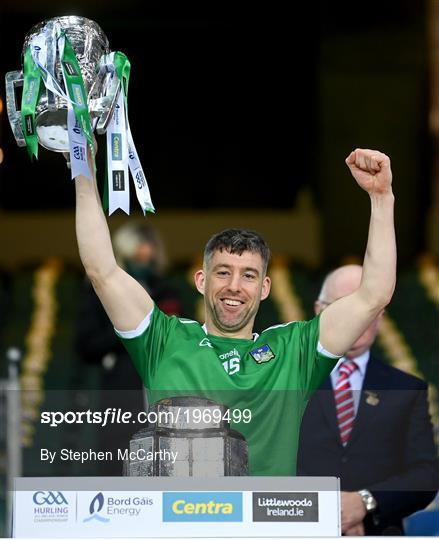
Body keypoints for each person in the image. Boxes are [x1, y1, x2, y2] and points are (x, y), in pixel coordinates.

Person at [73, 145, 396, 475]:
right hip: (179, 522)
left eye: (249, 275)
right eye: (223, 272)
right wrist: (84, 166)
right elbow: (102, 270)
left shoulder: (294, 350)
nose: (234, 286)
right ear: (201, 280)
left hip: (264, 523)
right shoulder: (163, 339)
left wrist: (382, 197)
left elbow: (374, 295)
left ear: (265, 288)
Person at [297, 264, 439, 535]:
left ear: (381, 316)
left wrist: (365, 503)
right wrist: (322, 512)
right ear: (319, 311)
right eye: (345, 305)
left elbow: (425, 475)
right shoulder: (284, 381)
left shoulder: (407, 390)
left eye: (368, 307)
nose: (357, 318)